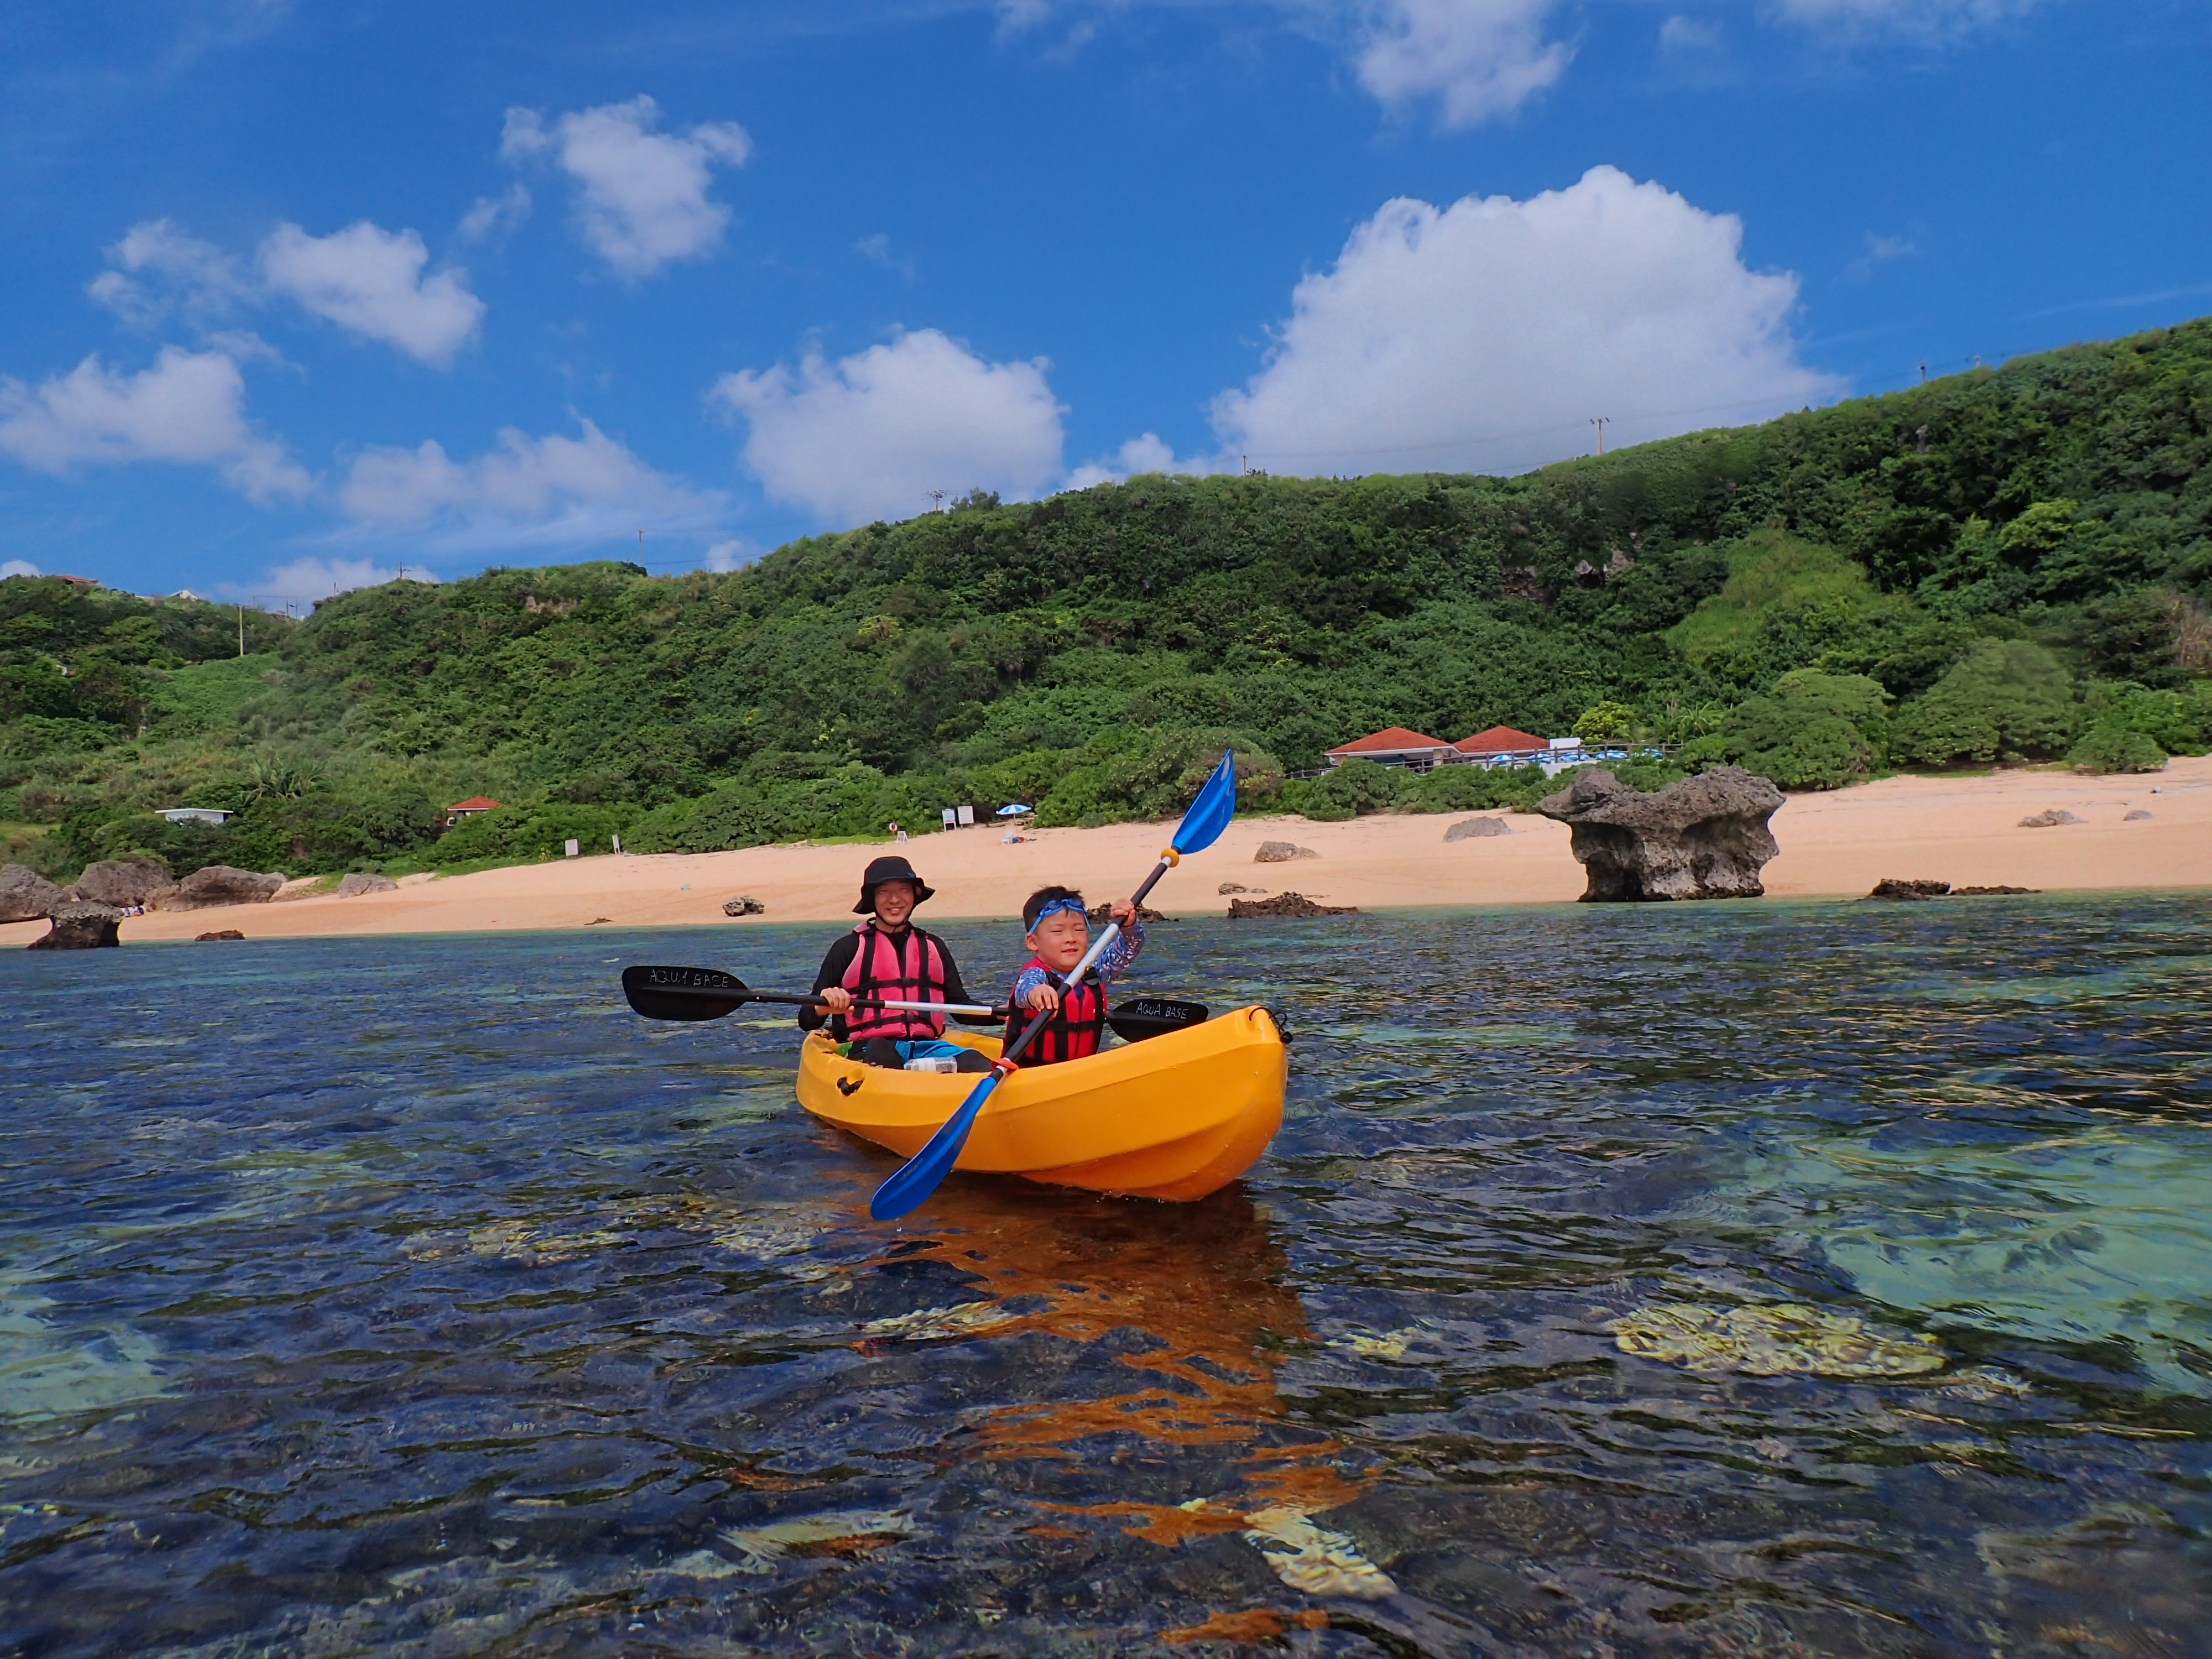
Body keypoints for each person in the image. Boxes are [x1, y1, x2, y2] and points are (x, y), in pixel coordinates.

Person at [801, 855, 994, 1072]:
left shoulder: (934, 947)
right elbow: (807, 1020)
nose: (895, 900)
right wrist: (822, 1006)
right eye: (884, 892)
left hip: (926, 1048)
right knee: (881, 1051)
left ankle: (923, 1075)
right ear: (872, 899)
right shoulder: (848, 948)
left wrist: (1006, 1013)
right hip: (865, 1046)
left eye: (903, 890)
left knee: (979, 1064)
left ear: (914, 896)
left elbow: (960, 1009)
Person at [1004, 886, 1145, 1066]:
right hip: (1031, 1071)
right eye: (1058, 931)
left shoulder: (1096, 971)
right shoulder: (1036, 974)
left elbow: (1129, 949)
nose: (1071, 938)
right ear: (1033, 942)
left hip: (1077, 1070)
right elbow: (1026, 989)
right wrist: (1037, 993)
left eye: (1079, 930)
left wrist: (1129, 926)